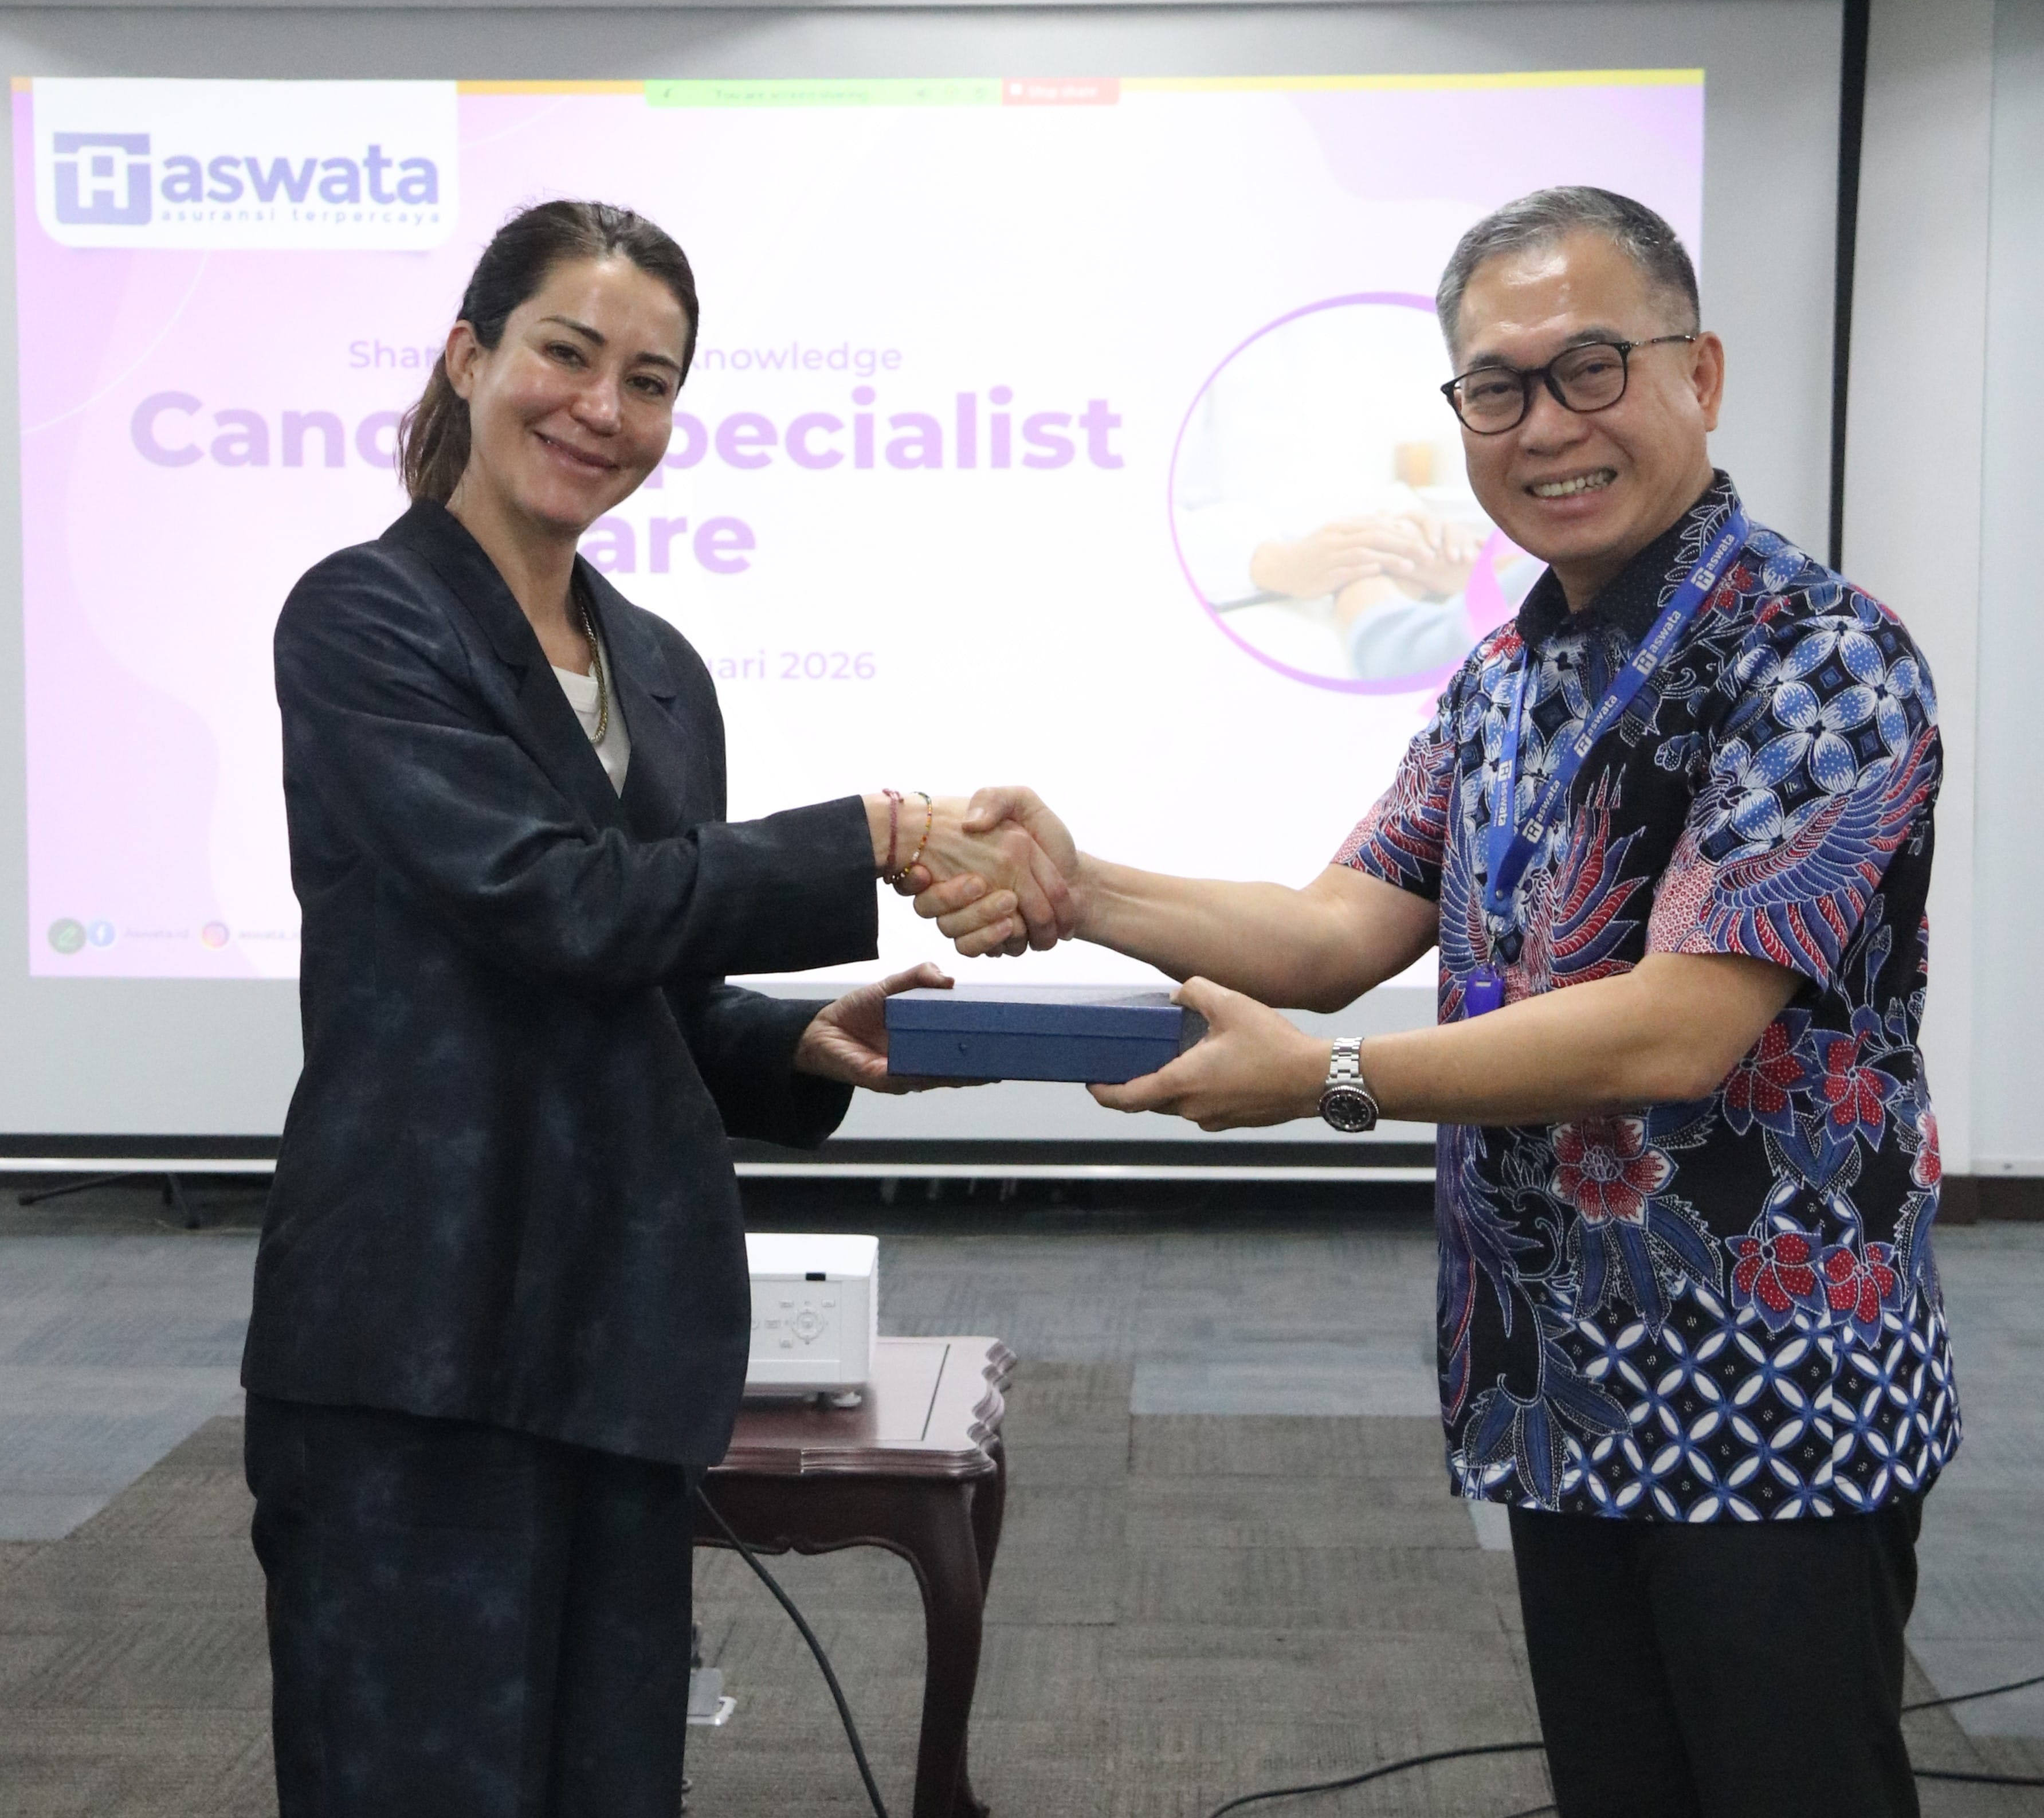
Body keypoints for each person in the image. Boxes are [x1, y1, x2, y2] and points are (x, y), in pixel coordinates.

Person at [922, 187, 1957, 1817]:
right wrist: (1079, 884)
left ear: (1700, 375)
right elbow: (1336, 926)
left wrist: (1328, 1080)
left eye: (1592, 368)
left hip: (1769, 1382)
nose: (1545, 425)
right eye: (1497, 387)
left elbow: (1680, 1026)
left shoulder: (1819, 656)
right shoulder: (1504, 676)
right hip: (1561, 1373)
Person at [240, 199, 1067, 1818]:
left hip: (619, 1339)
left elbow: (646, 985)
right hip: (418, 1338)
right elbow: (555, 901)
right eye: (567, 354)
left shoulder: (663, 667)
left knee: (613, 1782)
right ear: (468, 358)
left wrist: (796, 1039)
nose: (601, 410)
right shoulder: (363, 619)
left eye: (650, 381)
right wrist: (880, 833)